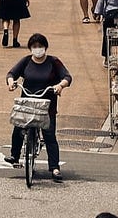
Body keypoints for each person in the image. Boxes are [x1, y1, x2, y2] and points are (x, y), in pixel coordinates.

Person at [5, 34, 72, 181]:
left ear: (45, 47)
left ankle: (54, 168)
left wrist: (60, 86)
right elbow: (11, 73)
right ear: (30, 48)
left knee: (49, 135)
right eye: (34, 47)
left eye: (40, 46)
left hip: (47, 105)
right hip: (27, 103)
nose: (37, 49)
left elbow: (67, 77)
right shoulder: (26, 61)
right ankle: (14, 156)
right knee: (18, 127)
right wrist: (11, 82)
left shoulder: (53, 62)